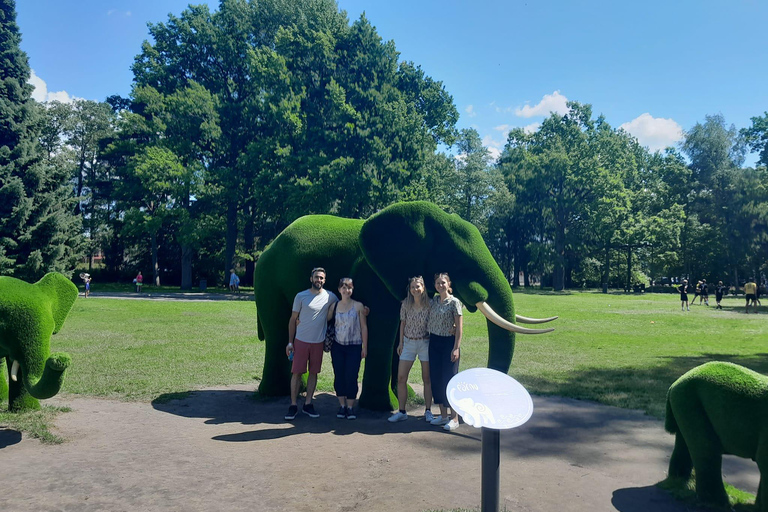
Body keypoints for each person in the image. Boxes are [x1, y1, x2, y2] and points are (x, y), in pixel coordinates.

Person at [285, 267, 338, 420]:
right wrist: (290, 342)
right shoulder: (301, 296)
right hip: (301, 341)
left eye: (321, 278)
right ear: (311, 279)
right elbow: (292, 319)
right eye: (316, 277)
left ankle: (308, 404)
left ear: (324, 280)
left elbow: (342, 304)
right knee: (296, 373)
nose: (319, 280)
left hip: (318, 342)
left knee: (314, 373)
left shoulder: (331, 297)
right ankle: (293, 405)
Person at [388, 276, 433, 423]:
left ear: (423, 287)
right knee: (401, 378)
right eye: (413, 287)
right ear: (410, 289)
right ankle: (402, 411)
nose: (415, 289)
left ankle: (428, 410)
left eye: (418, 286)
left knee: (426, 378)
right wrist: (401, 343)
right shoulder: (406, 304)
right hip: (408, 343)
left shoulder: (430, 304)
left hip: (424, 342)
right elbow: (403, 324)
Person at [427, 272, 463, 431]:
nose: (440, 285)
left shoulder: (455, 302)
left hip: (449, 343)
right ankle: (443, 416)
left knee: (450, 379)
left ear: (449, 284)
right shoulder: (433, 300)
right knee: (436, 377)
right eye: (437, 283)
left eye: (443, 283)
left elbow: (459, 328)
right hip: (434, 341)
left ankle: (454, 418)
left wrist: (456, 348)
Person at [328, 278, 367, 420]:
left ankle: (350, 407)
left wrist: (365, 346)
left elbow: (363, 327)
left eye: (349, 287)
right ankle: (342, 405)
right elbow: (325, 320)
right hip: (338, 346)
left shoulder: (358, 306)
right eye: (343, 287)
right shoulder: (334, 306)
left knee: (351, 376)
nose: (346, 290)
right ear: (339, 290)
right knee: (339, 375)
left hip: (354, 346)